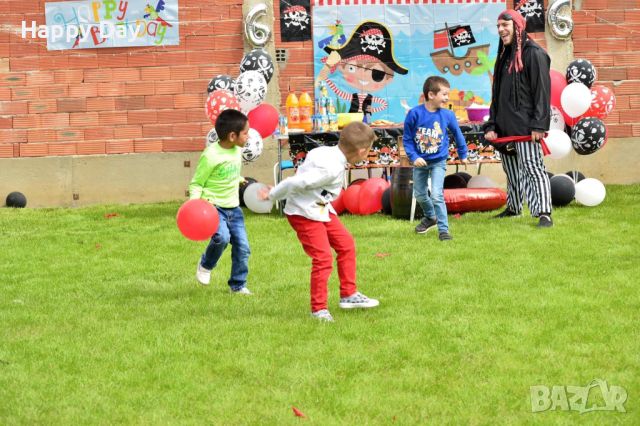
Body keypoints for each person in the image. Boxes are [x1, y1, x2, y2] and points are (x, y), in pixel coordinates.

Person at [262, 122, 379, 322]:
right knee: (323, 259)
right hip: (304, 213)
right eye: (369, 151)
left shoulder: (326, 152)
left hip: (322, 208)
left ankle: (348, 295)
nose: (368, 153)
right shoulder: (330, 169)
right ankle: (319, 309)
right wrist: (272, 194)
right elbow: (294, 182)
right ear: (361, 151)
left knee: (346, 245)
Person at [483, 9, 553, 228]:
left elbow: (542, 92)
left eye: (506, 25)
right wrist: (492, 124)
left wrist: (539, 124)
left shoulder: (534, 54)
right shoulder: (503, 56)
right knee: (511, 171)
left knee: (533, 168)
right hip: (505, 127)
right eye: (499, 26)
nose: (501, 30)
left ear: (518, 27)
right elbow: (497, 93)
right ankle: (514, 207)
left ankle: (543, 212)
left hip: (526, 127)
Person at [189, 109, 252, 294]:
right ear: (232, 136)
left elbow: (227, 171)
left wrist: (238, 179)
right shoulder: (210, 155)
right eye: (246, 133)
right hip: (214, 207)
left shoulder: (236, 151)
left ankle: (238, 285)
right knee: (221, 238)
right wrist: (194, 204)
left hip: (234, 208)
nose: (248, 136)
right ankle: (206, 264)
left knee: (243, 247)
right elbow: (197, 182)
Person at [403, 76, 468, 241]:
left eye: (448, 94)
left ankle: (443, 230)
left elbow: (458, 135)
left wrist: (463, 154)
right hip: (420, 162)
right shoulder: (414, 114)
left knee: (437, 195)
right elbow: (407, 139)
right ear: (431, 95)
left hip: (438, 161)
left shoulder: (448, 115)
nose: (447, 98)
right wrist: (414, 157)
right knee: (420, 194)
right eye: (444, 94)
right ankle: (430, 216)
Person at [315, 21, 409, 117]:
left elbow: (384, 104)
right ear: (341, 67)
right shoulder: (353, 96)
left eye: (377, 75)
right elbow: (337, 91)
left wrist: (373, 109)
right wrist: (326, 76)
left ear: (389, 79)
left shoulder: (370, 98)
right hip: (352, 121)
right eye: (352, 68)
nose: (363, 77)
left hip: (366, 119)